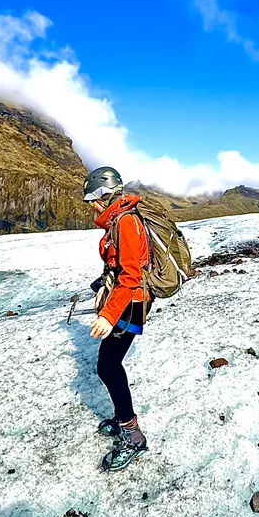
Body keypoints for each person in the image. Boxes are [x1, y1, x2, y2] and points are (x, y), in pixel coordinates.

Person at [83, 166, 151, 472]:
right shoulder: (120, 220)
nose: (92, 207)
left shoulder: (124, 222)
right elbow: (119, 266)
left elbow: (131, 276)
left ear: (103, 194)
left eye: (92, 200)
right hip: (126, 302)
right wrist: (102, 286)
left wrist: (109, 316)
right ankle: (123, 418)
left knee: (107, 366)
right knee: (109, 365)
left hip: (130, 305)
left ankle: (132, 435)